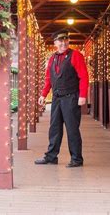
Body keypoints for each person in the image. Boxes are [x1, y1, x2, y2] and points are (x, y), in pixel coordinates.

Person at [35, 30, 89, 168]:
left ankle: (77, 159)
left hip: (71, 97)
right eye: (60, 40)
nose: (64, 42)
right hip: (57, 98)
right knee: (54, 128)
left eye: (66, 39)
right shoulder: (52, 58)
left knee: (72, 129)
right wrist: (43, 94)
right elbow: (49, 79)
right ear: (55, 43)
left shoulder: (75, 55)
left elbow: (83, 76)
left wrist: (82, 95)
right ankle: (51, 156)